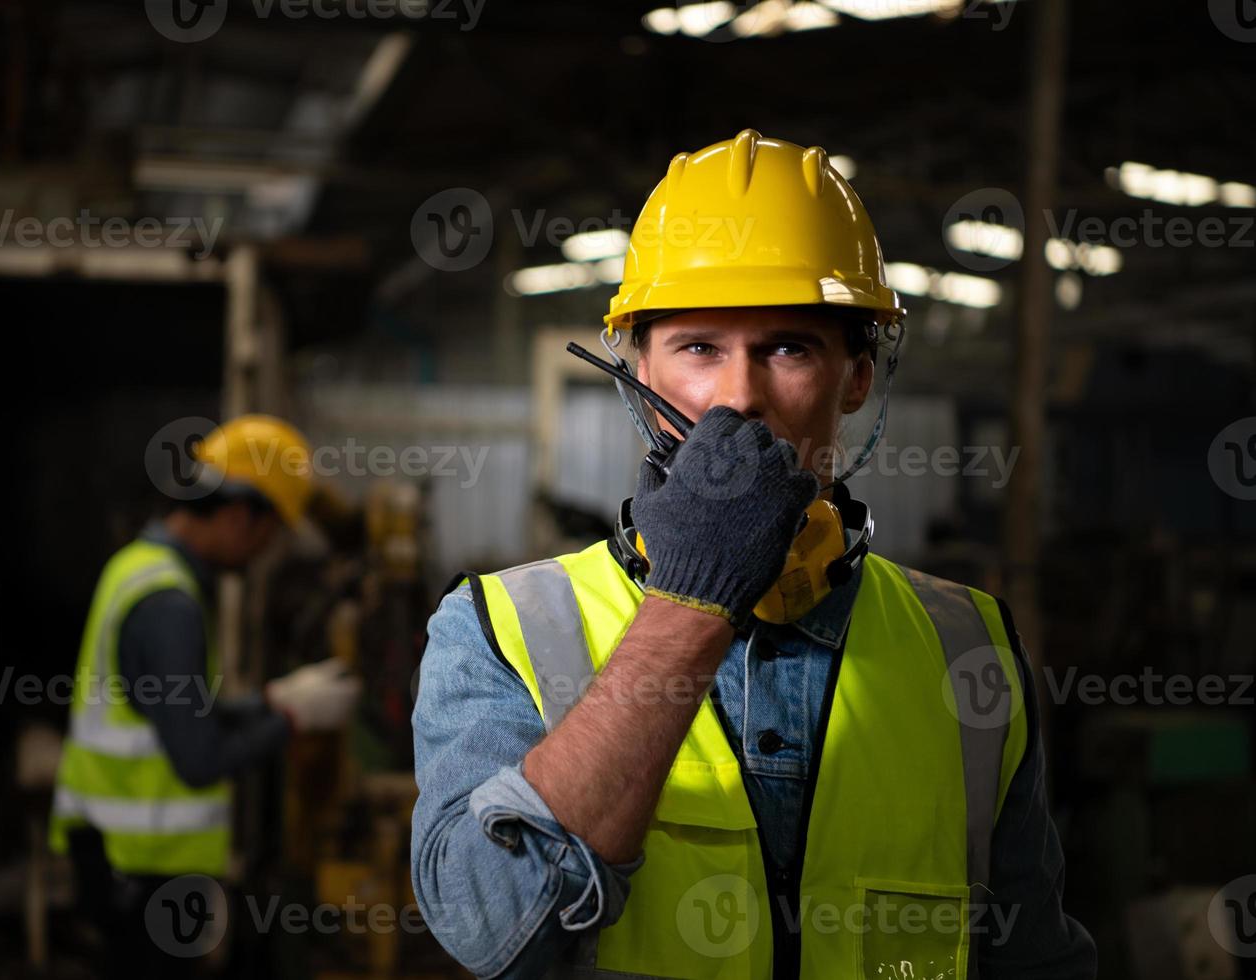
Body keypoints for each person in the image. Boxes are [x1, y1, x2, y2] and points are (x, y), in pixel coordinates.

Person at [410, 132, 1096, 978]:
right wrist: (691, 598)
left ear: (855, 377)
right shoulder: (499, 627)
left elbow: (1031, 959)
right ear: (636, 369)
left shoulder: (971, 645)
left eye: (788, 348)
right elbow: (495, 934)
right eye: (699, 348)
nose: (738, 397)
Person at [49, 414, 360, 976]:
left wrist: (269, 699)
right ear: (242, 516)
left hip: (116, 861)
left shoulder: (137, 568)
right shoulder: (172, 604)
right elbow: (199, 760)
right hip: (145, 871)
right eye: (271, 535)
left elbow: (175, 713)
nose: (266, 553)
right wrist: (292, 719)